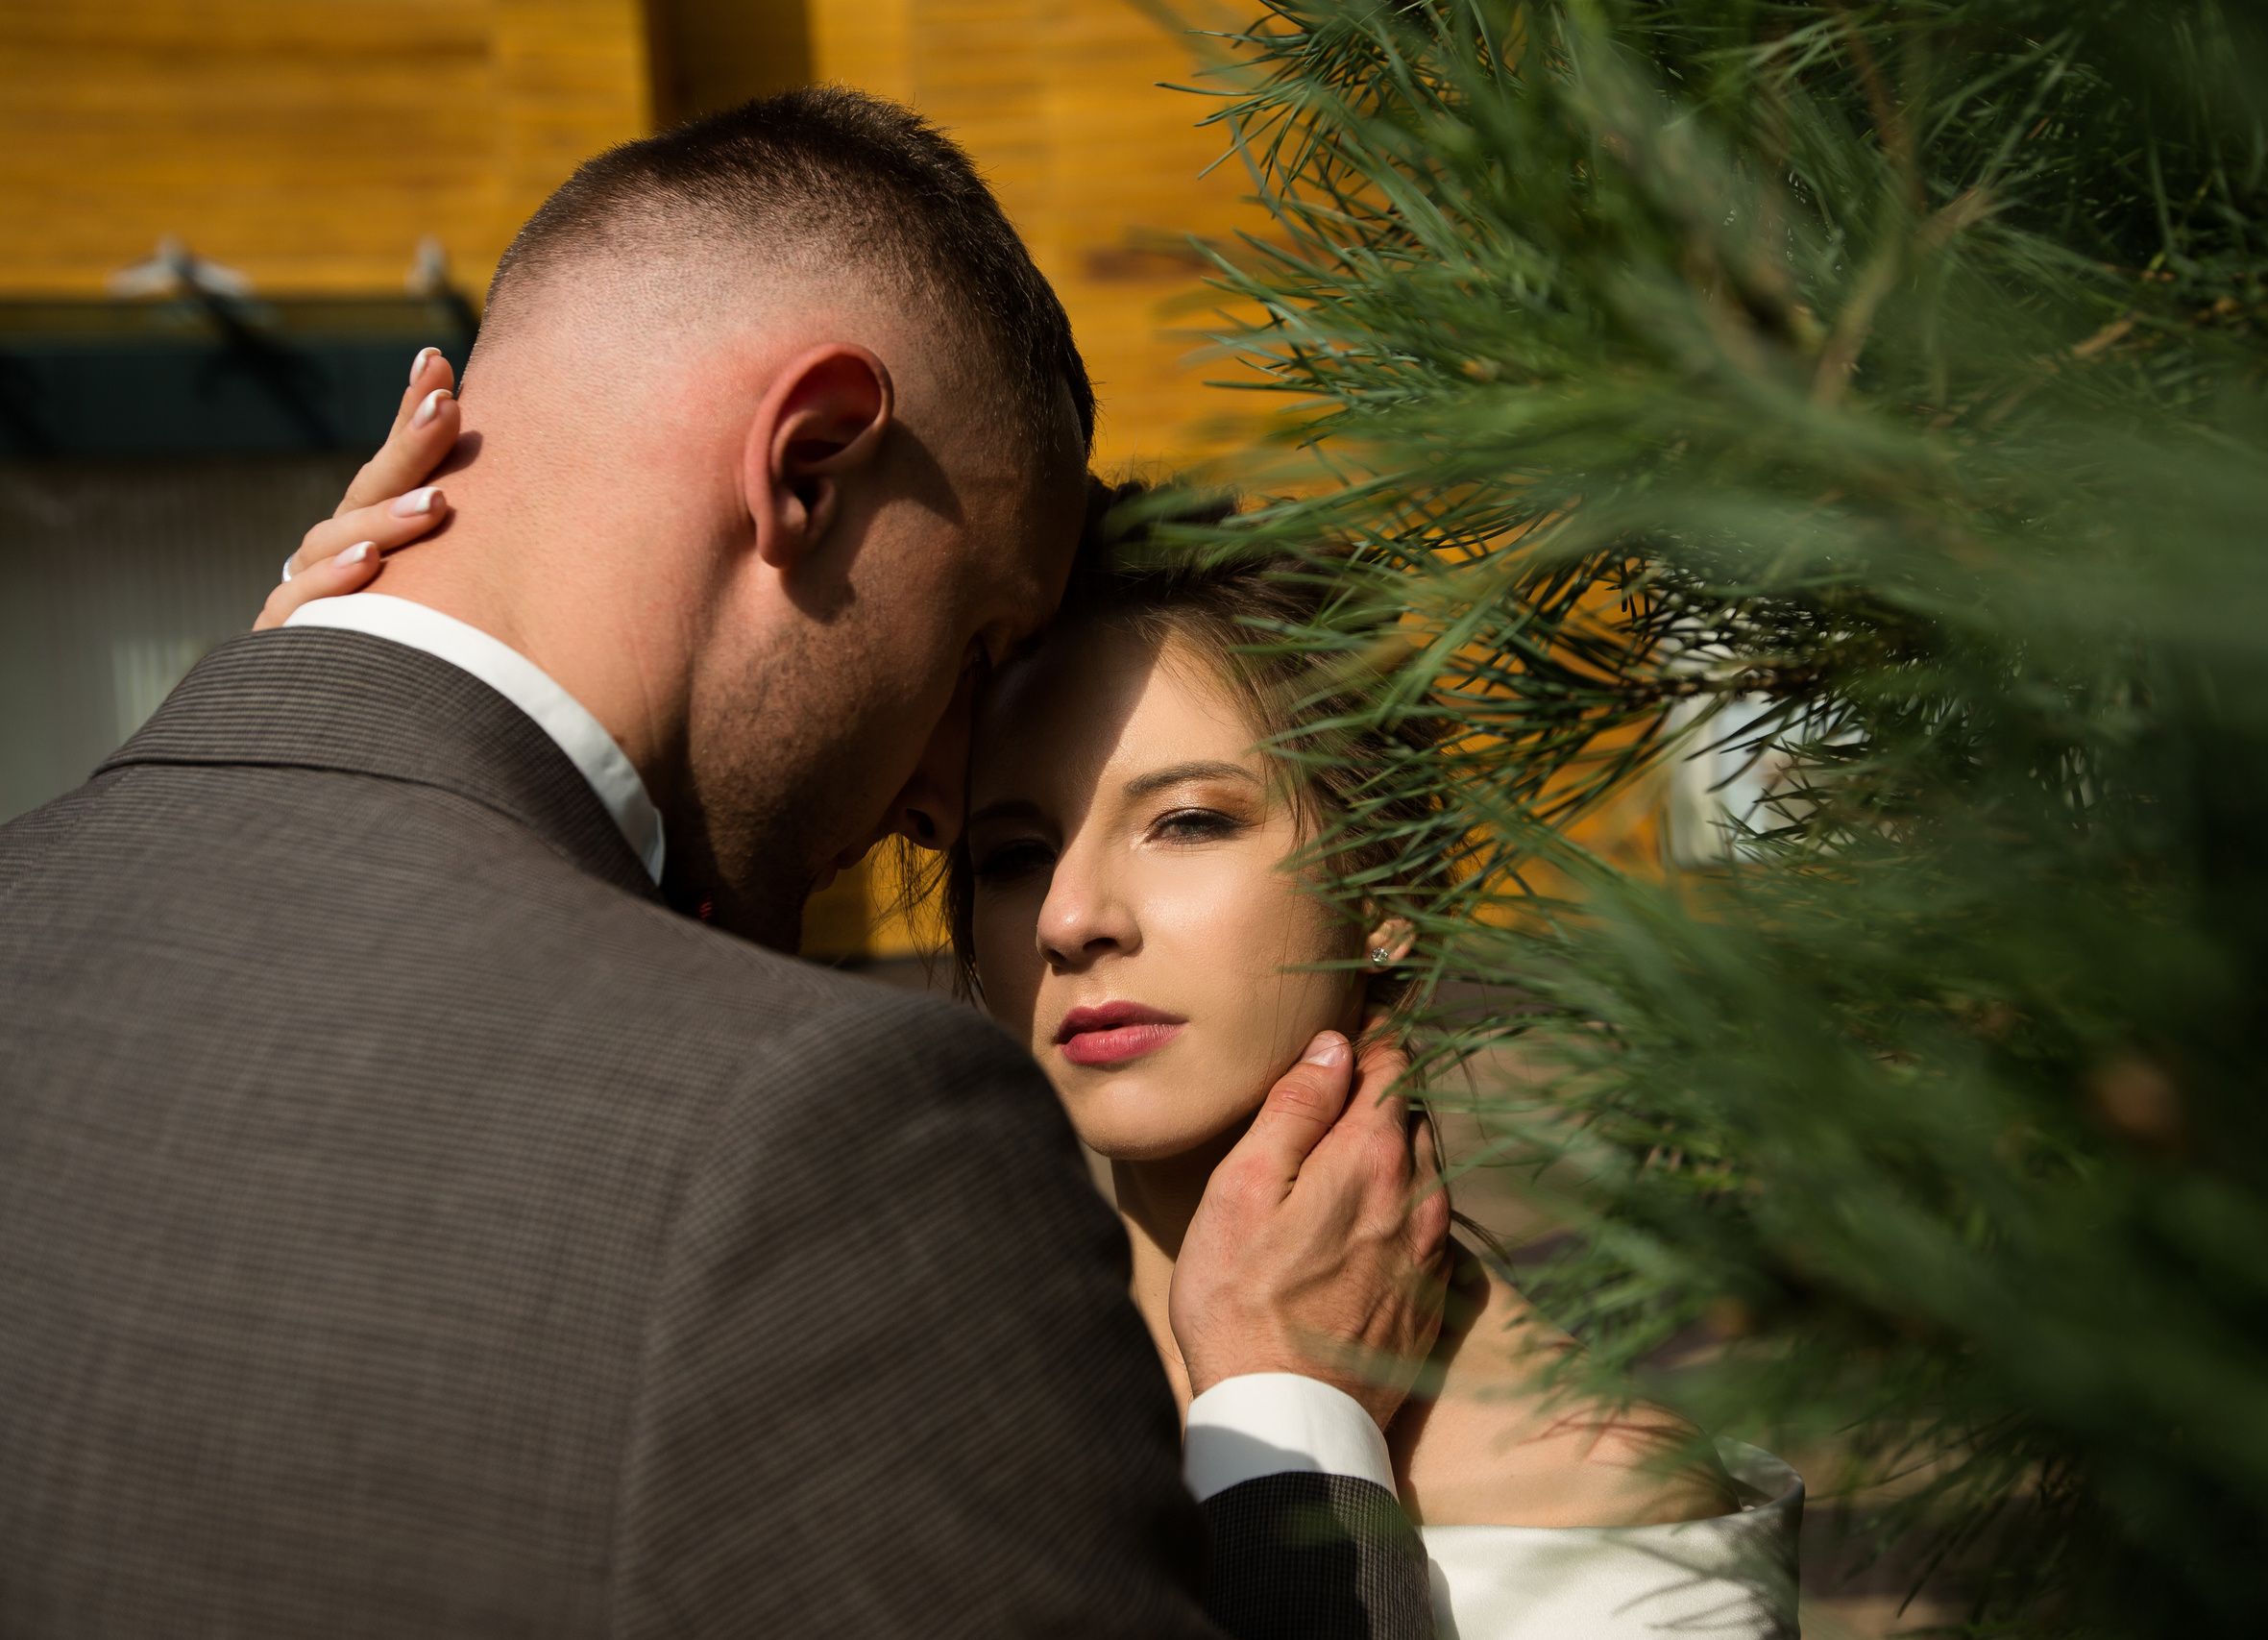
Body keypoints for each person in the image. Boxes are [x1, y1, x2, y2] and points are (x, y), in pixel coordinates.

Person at [0, 90, 1452, 1639]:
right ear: (812, 467)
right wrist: (1294, 1430)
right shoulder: (807, 1141)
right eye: (980, 645)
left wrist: (326, 734)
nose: (931, 805)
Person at [273, 460, 1809, 1638]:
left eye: (1190, 821)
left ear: (1392, 887)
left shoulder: (1602, 1500)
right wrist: (338, 696)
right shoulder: (915, 1367)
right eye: (1010, 854)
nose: (1074, 915)